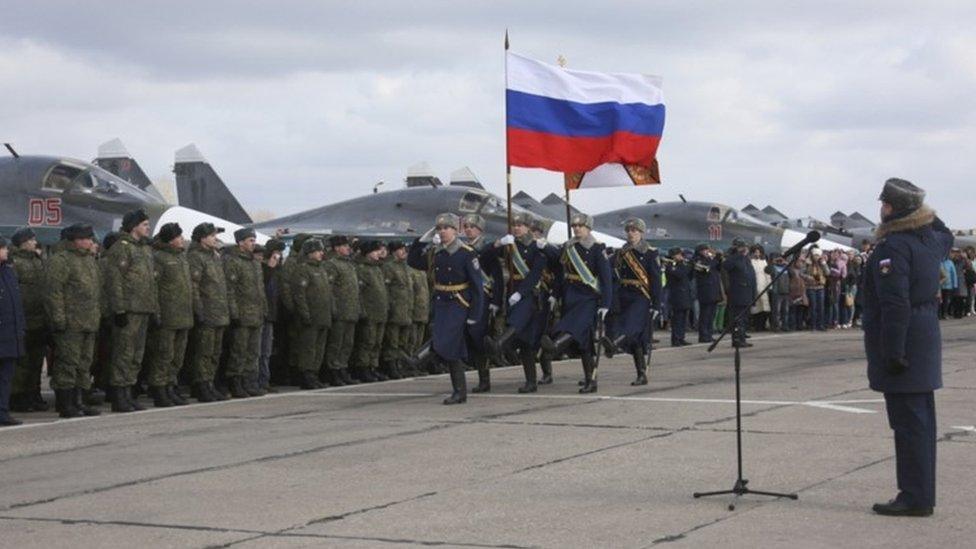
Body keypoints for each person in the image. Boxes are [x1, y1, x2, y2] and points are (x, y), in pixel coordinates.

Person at [863, 178, 953, 517]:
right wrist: (920, 207)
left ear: (891, 208)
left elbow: (895, 303)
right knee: (921, 423)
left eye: (885, 204)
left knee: (909, 424)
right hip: (925, 338)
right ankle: (919, 493)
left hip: (905, 343)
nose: (881, 209)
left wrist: (893, 351)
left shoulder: (895, 247)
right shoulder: (930, 241)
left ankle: (914, 497)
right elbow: (942, 229)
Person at [407, 213, 483, 404]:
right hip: (441, 303)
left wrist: (475, 314)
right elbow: (413, 261)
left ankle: (418, 359)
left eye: (445, 228)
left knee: (447, 341)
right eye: (439, 229)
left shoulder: (466, 253)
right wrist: (421, 241)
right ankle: (459, 392)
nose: (442, 232)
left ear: (455, 231)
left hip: (458, 303)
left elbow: (477, 287)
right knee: (451, 347)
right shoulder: (436, 252)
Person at [541, 213, 612, 393]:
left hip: (588, 297)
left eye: (580, 226)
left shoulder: (597, 248)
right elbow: (561, 273)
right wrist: (554, 294)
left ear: (588, 228)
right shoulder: (568, 246)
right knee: (584, 343)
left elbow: (606, 279)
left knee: (573, 327)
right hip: (570, 296)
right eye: (574, 226)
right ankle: (591, 380)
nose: (577, 229)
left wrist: (605, 303)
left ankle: (556, 346)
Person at [483, 212, 547, 393]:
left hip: (529, 294)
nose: (517, 228)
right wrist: (498, 243)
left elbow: (535, 273)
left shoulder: (536, 247)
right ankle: (531, 382)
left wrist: (520, 292)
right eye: (514, 225)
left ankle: (499, 344)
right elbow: (483, 255)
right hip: (512, 292)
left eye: (520, 225)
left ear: (528, 227)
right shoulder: (509, 245)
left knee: (517, 322)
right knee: (525, 342)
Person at [44, 224, 103, 417]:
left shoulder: (89, 260)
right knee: (68, 363)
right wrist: (59, 319)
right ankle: (65, 403)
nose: (90, 242)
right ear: (77, 240)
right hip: (71, 322)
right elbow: (54, 293)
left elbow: (96, 292)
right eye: (87, 238)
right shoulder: (61, 260)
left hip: (89, 321)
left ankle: (79, 401)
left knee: (84, 363)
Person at [104, 209, 158, 412]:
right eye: (144, 224)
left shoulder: (144, 249)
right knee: (124, 353)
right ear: (134, 226)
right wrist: (119, 309)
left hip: (143, 308)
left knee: (137, 354)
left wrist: (153, 308)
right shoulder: (122, 247)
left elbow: (151, 282)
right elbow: (115, 280)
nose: (148, 227)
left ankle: (129, 392)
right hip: (128, 309)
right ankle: (119, 395)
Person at [603, 217, 661, 385]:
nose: (630, 234)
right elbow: (608, 268)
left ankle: (613, 344)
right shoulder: (621, 252)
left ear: (641, 233)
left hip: (641, 296)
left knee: (630, 326)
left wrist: (657, 304)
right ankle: (641, 374)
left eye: (634, 230)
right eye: (628, 230)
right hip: (624, 295)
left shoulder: (650, 252)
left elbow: (656, 280)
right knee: (635, 338)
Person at [145, 223, 193, 407]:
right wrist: (156, 312)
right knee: (163, 355)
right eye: (179, 236)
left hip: (183, 315)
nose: (182, 239)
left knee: (177, 357)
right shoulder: (159, 258)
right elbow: (154, 288)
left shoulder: (181, 257)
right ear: (171, 239)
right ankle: (159, 389)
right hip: (167, 315)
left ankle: (171, 386)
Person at [7, 228, 49, 413]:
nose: (34, 243)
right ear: (23, 242)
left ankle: (33, 392)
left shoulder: (38, 261)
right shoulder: (14, 262)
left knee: (36, 360)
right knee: (22, 362)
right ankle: (17, 396)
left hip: (40, 317)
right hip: (24, 318)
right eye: (31, 240)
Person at [187, 222, 230, 402]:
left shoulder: (214, 256)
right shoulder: (196, 257)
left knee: (214, 352)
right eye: (212, 235)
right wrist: (199, 310)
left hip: (219, 312)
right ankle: (201, 384)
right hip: (207, 311)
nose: (215, 238)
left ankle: (209, 383)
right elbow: (194, 286)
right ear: (202, 238)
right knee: (204, 352)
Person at [224, 227, 268, 398]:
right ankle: (236, 382)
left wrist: (264, 308)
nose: (253, 243)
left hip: (256, 314)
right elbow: (230, 289)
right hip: (242, 314)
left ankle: (249, 382)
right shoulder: (233, 261)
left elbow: (260, 289)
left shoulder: (255, 263)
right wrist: (234, 312)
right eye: (250, 240)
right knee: (239, 351)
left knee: (253, 351)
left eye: (254, 240)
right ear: (240, 242)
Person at [459, 213, 501, 392]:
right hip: (465, 297)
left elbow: (497, 277)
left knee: (478, 336)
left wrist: (497, 301)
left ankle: (484, 379)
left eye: (472, 227)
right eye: (466, 227)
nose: (468, 230)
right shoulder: (461, 247)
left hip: (483, 297)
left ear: (480, 230)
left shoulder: (487, 248)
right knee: (468, 335)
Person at [290, 238, 333, 389]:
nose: (322, 253)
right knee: (309, 348)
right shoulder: (303, 269)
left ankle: (314, 373)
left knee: (319, 348)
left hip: (323, 316)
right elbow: (299, 295)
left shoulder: (321, 269)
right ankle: (306, 375)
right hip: (311, 316)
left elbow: (328, 293)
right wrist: (305, 314)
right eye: (318, 251)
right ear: (310, 253)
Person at [324, 235, 361, 386]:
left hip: (350, 310)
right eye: (345, 246)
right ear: (337, 248)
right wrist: (333, 308)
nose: (348, 248)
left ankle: (342, 368)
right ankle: (333, 370)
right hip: (340, 310)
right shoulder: (332, 265)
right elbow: (329, 289)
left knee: (347, 343)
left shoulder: (349, 264)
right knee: (336, 343)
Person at [353, 240, 389, 382]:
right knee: (367, 341)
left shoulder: (376, 268)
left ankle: (373, 367)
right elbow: (359, 292)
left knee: (376, 342)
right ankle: (363, 368)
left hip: (380, 311)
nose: (378, 253)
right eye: (375, 250)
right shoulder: (362, 269)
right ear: (367, 253)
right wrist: (362, 310)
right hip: (369, 312)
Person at [0, 236, 26, 426]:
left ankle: (2, 410)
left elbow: (16, 304)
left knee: (6, 377)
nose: (7, 251)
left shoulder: (8, 272)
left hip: (10, 334)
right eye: (3, 248)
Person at [380, 241, 414, 380]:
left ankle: (401, 366)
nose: (404, 251)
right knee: (392, 342)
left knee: (403, 341)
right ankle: (391, 367)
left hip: (406, 310)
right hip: (395, 311)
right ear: (394, 251)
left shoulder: (406, 268)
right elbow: (386, 289)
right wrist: (389, 307)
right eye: (400, 249)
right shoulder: (389, 267)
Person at [721, 238, 757, 347]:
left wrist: (753, 295)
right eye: (743, 247)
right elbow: (726, 266)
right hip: (738, 293)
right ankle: (737, 339)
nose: (745, 249)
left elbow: (751, 277)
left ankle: (742, 338)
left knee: (744, 318)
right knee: (737, 318)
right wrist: (738, 254)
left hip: (747, 293)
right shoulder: (733, 259)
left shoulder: (746, 260)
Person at [693, 244, 722, 343]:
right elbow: (706, 268)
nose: (707, 252)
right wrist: (714, 259)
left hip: (713, 291)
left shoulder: (710, 260)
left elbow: (718, 267)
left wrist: (719, 259)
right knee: (705, 315)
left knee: (711, 315)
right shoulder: (698, 260)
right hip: (705, 291)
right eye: (705, 250)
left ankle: (709, 334)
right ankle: (703, 335)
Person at [664, 247, 693, 347]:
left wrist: (690, 265)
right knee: (677, 319)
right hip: (676, 295)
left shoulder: (681, 265)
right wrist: (683, 264)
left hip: (684, 294)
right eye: (679, 254)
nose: (681, 256)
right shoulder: (671, 265)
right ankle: (676, 339)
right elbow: (680, 274)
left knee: (683, 318)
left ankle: (681, 337)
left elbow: (689, 276)